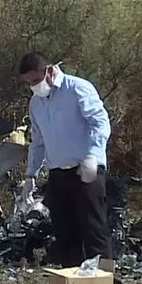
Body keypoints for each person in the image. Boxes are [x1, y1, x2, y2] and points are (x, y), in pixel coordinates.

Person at [17, 51, 124, 267]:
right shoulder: (36, 104)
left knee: (94, 231)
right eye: (29, 83)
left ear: (49, 71)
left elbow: (100, 122)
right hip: (58, 173)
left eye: (36, 80)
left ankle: (105, 282)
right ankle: (73, 281)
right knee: (65, 235)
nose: (34, 86)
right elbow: (38, 141)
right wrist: (30, 176)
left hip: (86, 170)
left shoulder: (77, 88)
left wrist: (93, 154)